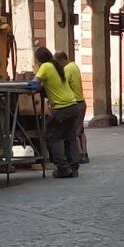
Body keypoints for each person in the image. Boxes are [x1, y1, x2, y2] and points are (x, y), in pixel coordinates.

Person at [33, 46, 83, 178]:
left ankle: (63, 168)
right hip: (72, 105)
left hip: (61, 108)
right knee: (69, 137)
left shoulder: (46, 66)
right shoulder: (56, 66)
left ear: (39, 59)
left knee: (51, 137)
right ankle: (73, 167)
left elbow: (34, 84)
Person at [55, 50, 89, 164]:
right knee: (81, 131)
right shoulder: (75, 66)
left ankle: (79, 156)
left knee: (74, 132)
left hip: (75, 103)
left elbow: (62, 83)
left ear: (61, 60)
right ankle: (84, 153)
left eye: (58, 63)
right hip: (81, 102)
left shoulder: (67, 69)